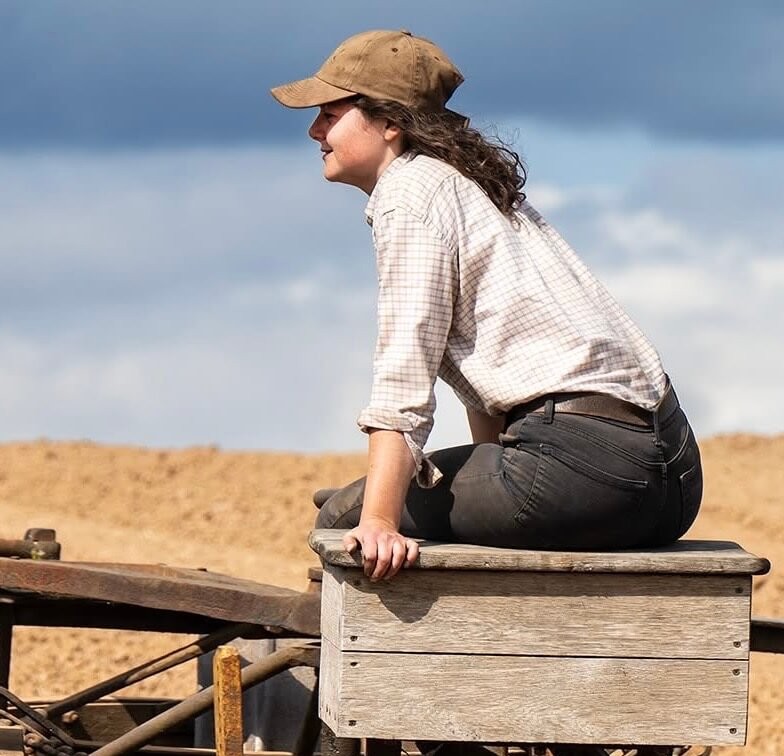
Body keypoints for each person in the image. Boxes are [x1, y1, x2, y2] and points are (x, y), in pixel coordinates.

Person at [270, 29, 703, 583]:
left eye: (330, 113)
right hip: (672, 476)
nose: (314, 130)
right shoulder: (471, 186)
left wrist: (378, 519)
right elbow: (495, 393)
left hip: (587, 471)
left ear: (389, 122)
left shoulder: (408, 196)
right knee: (373, 502)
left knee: (342, 518)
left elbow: (405, 374)